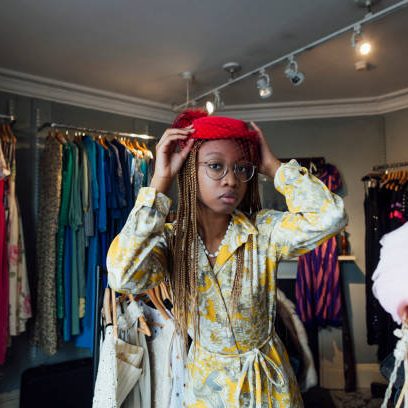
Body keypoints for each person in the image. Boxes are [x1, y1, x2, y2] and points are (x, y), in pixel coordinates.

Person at [107, 109, 347, 407]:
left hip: (269, 389)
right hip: (208, 392)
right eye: (216, 166)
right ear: (190, 171)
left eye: (241, 168)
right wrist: (160, 182)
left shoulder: (264, 231)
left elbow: (331, 216)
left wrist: (274, 167)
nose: (231, 180)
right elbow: (123, 275)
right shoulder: (170, 241)